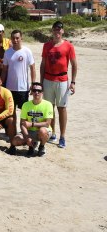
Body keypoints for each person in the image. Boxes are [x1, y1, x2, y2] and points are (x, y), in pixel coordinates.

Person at [40, 20, 77, 149]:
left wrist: (72, 82)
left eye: (59, 29)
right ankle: (52, 132)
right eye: (55, 29)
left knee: (62, 108)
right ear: (52, 31)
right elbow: (43, 64)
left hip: (62, 80)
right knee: (50, 108)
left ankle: (62, 136)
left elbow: (74, 65)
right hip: (48, 79)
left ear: (63, 31)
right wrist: (40, 82)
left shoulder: (68, 46)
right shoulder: (46, 46)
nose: (57, 31)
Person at [2, 29, 36, 126]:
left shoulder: (27, 51)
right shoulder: (7, 52)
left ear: (21, 38)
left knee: (23, 112)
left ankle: (23, 131)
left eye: (17, 38)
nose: (15, 40)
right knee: (11, 111)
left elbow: (33, 68)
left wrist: (33, 84)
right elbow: (4, 70)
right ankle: (12, 130)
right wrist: (1, 83)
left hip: (23, 88)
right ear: (11, 39)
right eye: (13, 38)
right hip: (10, 87)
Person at [9, 83, 53, 157]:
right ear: (31, 92)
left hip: (42, 130)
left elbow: (47, 123)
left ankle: (41, 147)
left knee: (42, 131)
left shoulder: (48, 104)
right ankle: (32, 145)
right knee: (15, 141)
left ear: (42, 92)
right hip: (29, 131)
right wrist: (27, 137)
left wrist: (32, 124)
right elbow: (22, 124)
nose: (36, 92)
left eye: (39, 91)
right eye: (34, 90)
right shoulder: (26, 105)